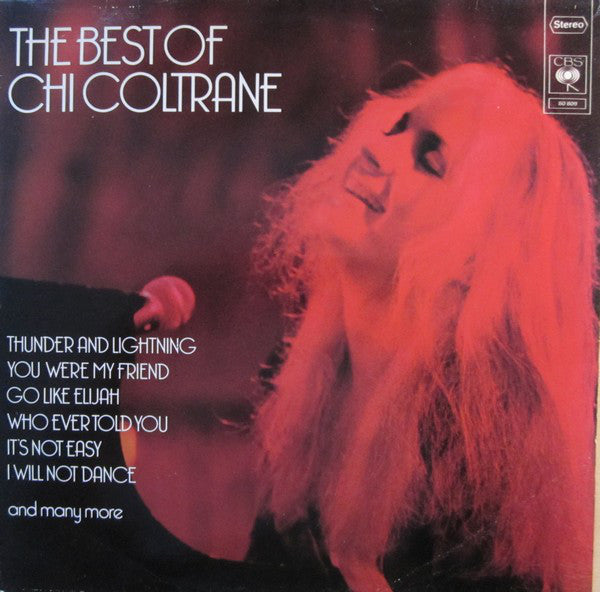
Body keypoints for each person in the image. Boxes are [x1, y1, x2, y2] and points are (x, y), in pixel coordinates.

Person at [249, 63, 597, 592]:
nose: (377, 149)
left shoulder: (473, 472)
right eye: (397, 126)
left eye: (430, 161)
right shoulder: (297, 377)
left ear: (476, 260)